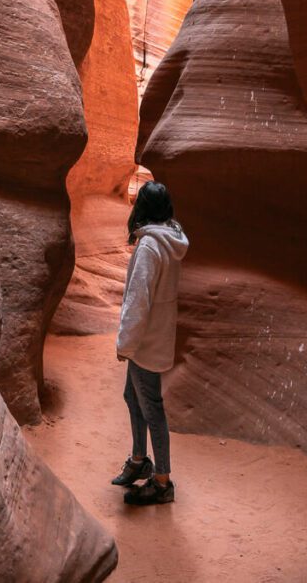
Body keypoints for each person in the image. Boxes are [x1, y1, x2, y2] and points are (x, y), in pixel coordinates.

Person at [112, 180, 189, 505]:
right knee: (134, 397)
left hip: (144, 342)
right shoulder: (171, 238)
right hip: (155, 336)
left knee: (151, 408)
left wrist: (125, 343)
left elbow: (138, 301)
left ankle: (161, 482)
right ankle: (139, 460)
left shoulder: (149, 247)